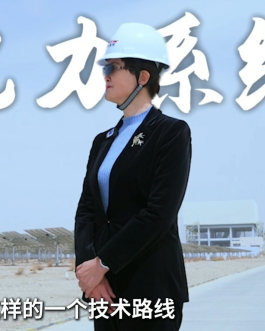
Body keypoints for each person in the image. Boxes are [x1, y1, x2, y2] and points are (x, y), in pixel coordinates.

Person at [74, 23, 191, 330]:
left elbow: (159, 213)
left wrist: (103, 262)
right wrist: (89, 272)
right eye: (105, 68)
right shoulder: (103, 141)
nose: (106, 75)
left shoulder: (171, 133)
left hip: (151, 284)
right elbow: (87, 211)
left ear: (143, 77)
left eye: (113, 67)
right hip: (105, 289)